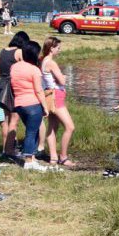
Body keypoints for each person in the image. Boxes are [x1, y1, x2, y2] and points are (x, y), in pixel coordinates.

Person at [10, 40, 49, 171]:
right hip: (33, 104)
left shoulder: (14, 67)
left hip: (19, 104)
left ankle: (31, 158)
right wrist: (45, 107)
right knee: (32, 132)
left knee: (33, 130)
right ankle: (28, 162)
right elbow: (38, 90)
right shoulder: (34, 70)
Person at [39, 37, 76, 167]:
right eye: (58, 48)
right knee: (70, 127)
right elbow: (63, 81)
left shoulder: (43, 60)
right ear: (51, 48)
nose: (59, 51)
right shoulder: (51, 62)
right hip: (56, 96)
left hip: (49, 95)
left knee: (53, 127)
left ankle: (53, 157)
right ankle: (63, 157)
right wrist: (63, 77)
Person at [0, 32, 28, 157]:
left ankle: (4, 149)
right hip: (13, 88)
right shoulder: (19, 52)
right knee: (14, 120)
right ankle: (11, 151)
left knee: (6, 121)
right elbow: (25, 69)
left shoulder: (3, 50)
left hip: (2, 88)